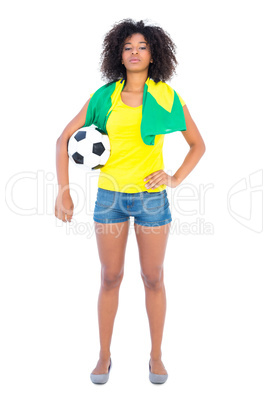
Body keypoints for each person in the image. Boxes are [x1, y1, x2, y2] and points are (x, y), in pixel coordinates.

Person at [55, 18, 206, 384]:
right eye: (128, 47)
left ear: (153, 53)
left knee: (153, 277)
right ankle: (104, 356)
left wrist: (173, 177)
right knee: (110, 276)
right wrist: (64, 190)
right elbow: (63, 139)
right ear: (118, 55)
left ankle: (156, 356)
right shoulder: (103, 97)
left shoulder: (166, 96)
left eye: (142, 46)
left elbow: (198, 145)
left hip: (152, 200)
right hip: (110, 198)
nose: (135, 52)